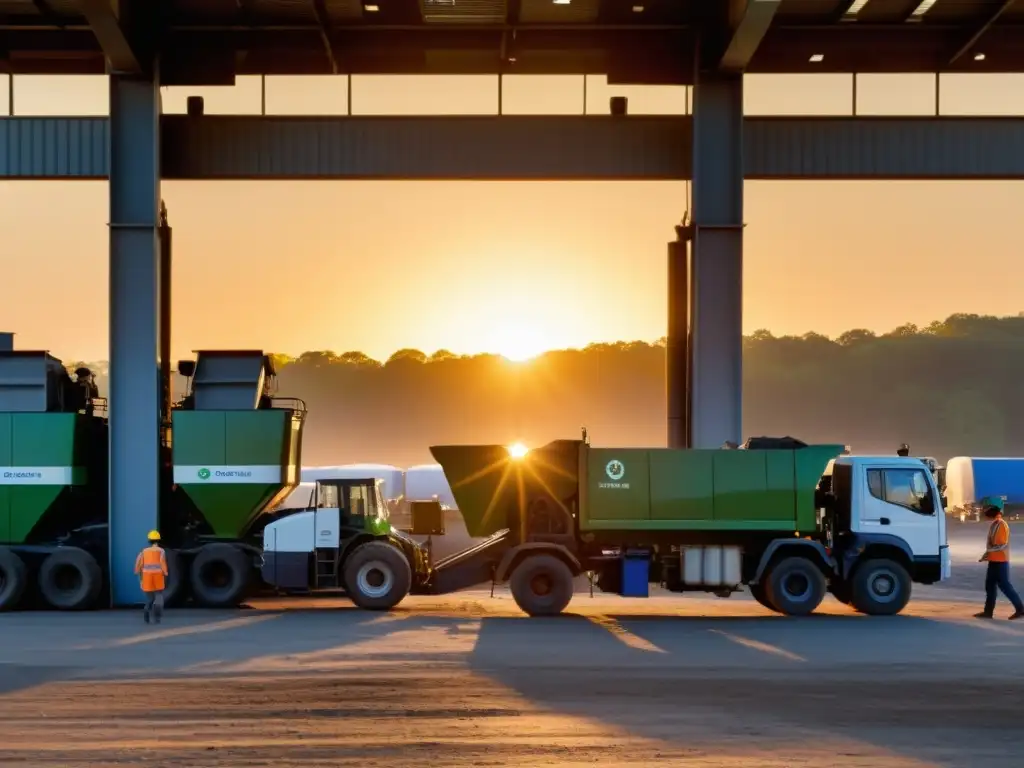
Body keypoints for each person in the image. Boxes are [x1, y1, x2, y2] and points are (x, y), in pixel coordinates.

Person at [975, 497, 1024, 620]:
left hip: (1000, 561)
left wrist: (989, 551)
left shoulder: (1001, 525)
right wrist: (986, 555)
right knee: (990, 586)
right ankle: (988, 612)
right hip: (994, 561)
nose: (984, 511)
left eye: (987, 509)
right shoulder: (995, 524)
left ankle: (1020, 609)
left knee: (1005, 586)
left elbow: (1001, 544)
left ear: (994, 509)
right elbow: (992, 544)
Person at [134, 530, 169, 624]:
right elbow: (162, 563)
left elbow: (139, 564)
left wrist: (137, 572)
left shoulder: (144, 551)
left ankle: (146, 609)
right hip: (158, 576)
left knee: (150, 598)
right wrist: (165, 573)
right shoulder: (161, 551)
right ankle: (157, 617)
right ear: (158, 540)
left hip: (147, 576)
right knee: (158, 596)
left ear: (149, 540)